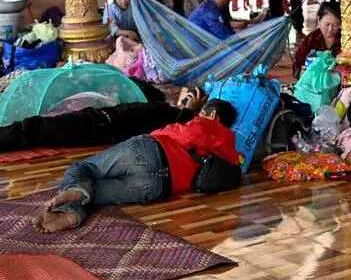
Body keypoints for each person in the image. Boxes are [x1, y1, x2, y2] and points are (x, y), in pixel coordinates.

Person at [32, 98, 241, 232]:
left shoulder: (208, 125)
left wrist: (187, 115)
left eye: (201, 113)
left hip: (147, 151)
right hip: (157, 187)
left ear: (212, 115)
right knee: (93, 192)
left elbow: (179, 133)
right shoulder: (231, 156)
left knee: (82, 169)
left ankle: (73, 200)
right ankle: (72, 213)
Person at [0, 82, 196, 159]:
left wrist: (188, 108)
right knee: (33, 131)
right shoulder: (157, 109)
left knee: (34, 128)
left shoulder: (165, 112)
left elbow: (183, 118)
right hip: (97, 123)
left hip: (98, 123)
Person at [292, 0, 341, 79]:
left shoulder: (345, 40)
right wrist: (302, 72)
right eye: (327, 24)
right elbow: (297, 64)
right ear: (319, 20)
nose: (330, 29)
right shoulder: (311, 39)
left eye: (335, 25)